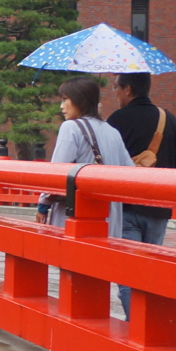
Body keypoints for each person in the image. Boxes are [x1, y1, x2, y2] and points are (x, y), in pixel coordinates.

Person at [105, 70, 176, 318]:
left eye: (116, 88)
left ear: (128, 90)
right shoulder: (168, 119)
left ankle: (136, 324)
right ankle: (148, 323)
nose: (115, 93)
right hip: (158, 209)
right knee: (151, 270)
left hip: (125, 208)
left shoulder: (116, 121)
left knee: (129, 271)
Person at [42, 77, 131, 235]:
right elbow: (130, 171)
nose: (62, 106)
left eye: (65, 99)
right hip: (109, 218)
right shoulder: (113, 132)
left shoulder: (71, 127)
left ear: (79, 100)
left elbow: (55, 174)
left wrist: (43, 204)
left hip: (77, 218)